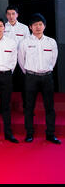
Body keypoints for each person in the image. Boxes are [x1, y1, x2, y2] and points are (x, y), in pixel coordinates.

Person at [18, 13, 61, 144]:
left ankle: (50, 134)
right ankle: (29, 133)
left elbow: (53, 60)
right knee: (29, 107)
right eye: (35, 25)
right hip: (31, 77)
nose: (38, 27)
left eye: (40, 24)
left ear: (44, 26)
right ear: (30, 27)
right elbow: (21, 60)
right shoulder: (25, 42)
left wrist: (46, 70)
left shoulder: (51, 42)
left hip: (47, 77)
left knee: (50, 107)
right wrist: (30, 72)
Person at [5, 5, 30, 110]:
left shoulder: (24, 28)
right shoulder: (2, 27)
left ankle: (26, 107)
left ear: (17, 15)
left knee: (24, 85)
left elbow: (28, 44)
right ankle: (4, 107)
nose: (11, 16)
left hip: (21, 60)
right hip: (7, 60)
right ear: (6, 15)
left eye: (13, 14)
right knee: (6, 86)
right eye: (9, 14)